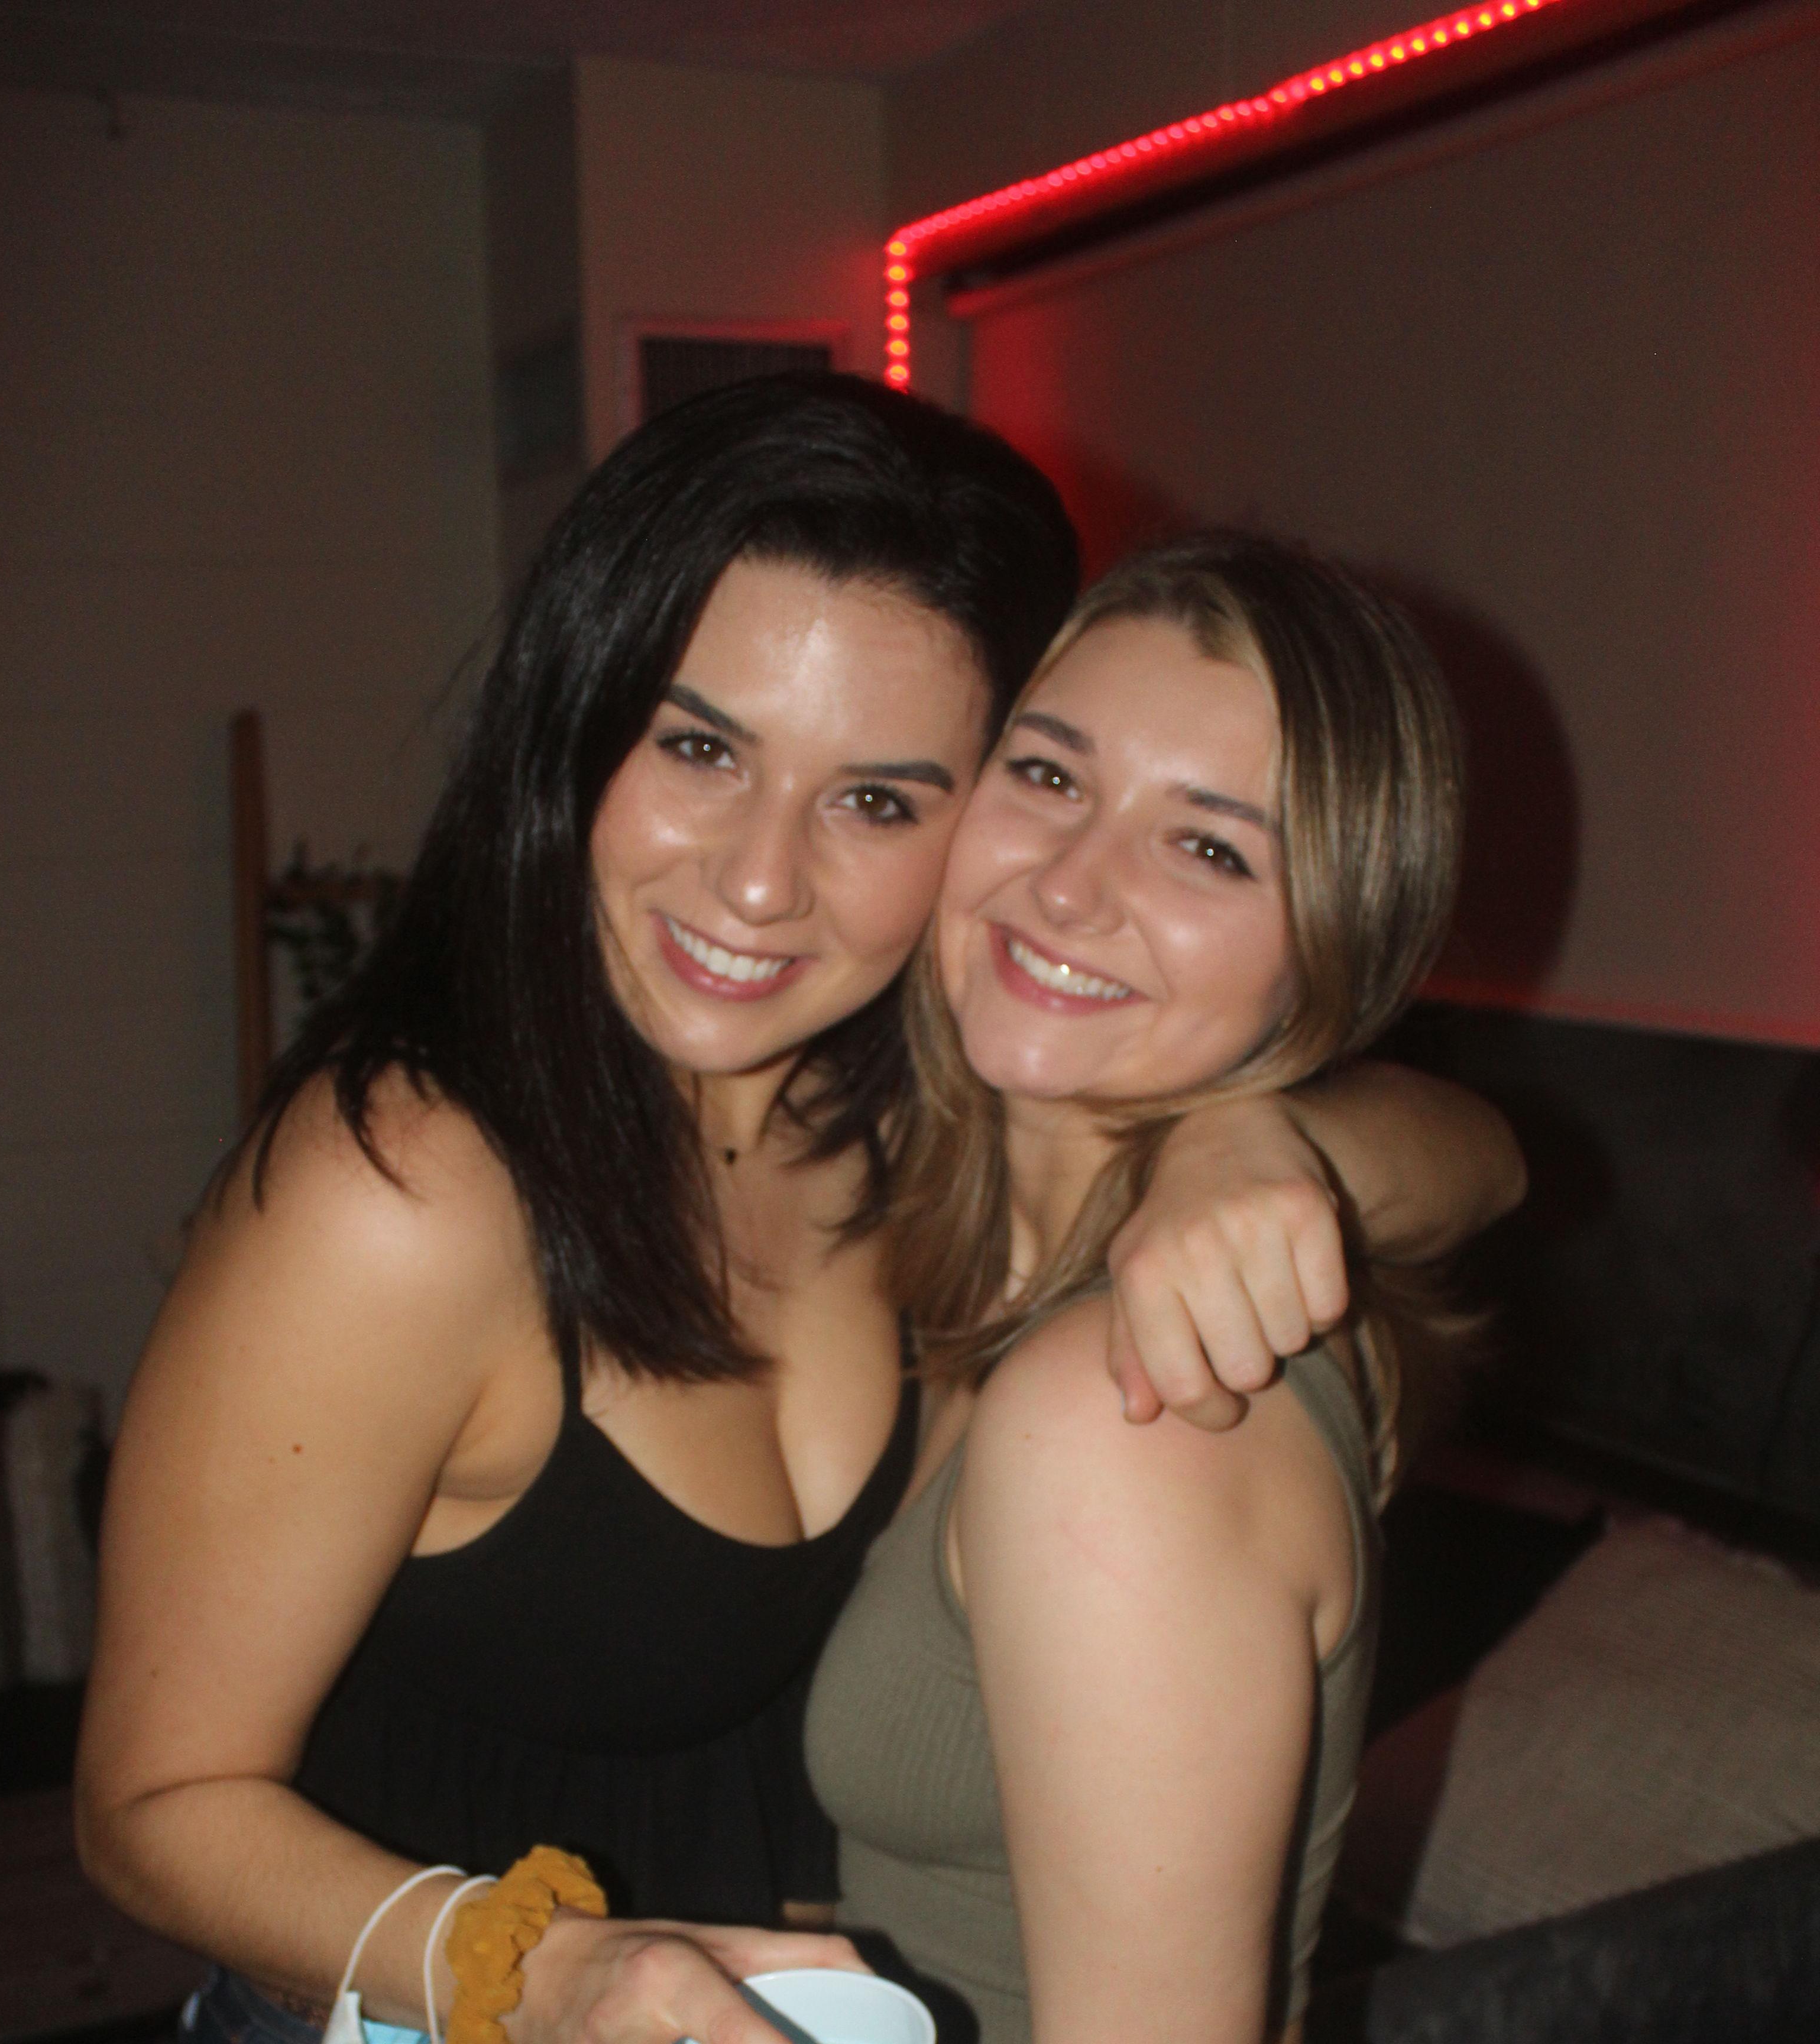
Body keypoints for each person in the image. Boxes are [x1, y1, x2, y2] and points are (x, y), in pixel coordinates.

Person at [76, 383, 1519, 2044]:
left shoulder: (919, 1127)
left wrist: (1267, 1141)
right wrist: (536, 1968)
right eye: (700, 748)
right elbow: (148, 1804)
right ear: (578, 722)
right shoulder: (407, 1192)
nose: (761, 881)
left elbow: (1493, 1156)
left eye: (878, 800)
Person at [807, 532, 1481, 2044]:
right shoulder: (960, 1241)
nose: (1069, 884)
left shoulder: (1128, 1417)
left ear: (1335, 955)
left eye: (1211, 849)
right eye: (1051, 776)